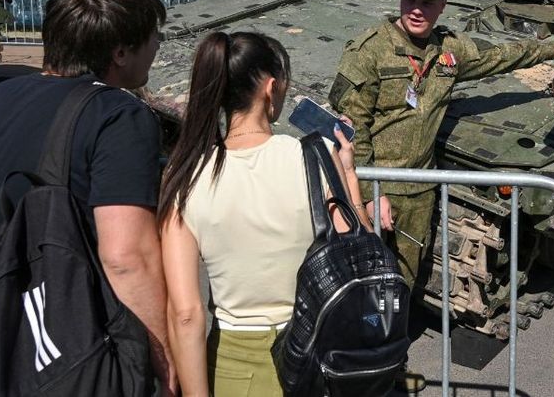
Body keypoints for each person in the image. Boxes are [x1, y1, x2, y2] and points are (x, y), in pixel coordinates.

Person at [329, 0, 554, 392]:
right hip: (378, 189)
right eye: (410, 0)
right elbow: (349, 130)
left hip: (421, 193)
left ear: (442, 6)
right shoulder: (369, 50)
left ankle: (389, 368)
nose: (417, 10)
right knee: (370, 290)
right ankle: (360, 374)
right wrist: (370, 196)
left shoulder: (446, 51)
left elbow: (495, 57)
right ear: (401, 0)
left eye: (427, 3)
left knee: (404, 289)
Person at [0, 0, 175, 393]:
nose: (157, 48)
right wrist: (164, 365)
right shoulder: (118, 115)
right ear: (120, 52)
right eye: (154, 38)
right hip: (83, 366)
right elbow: (126, 258)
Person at [159, 31, 386, 397]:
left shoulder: (184, 176)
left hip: (232, 367)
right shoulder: (313, 156)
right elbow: (358, 247)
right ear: (270, 88)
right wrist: (348, 175)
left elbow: (185, 314)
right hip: (315, 358)